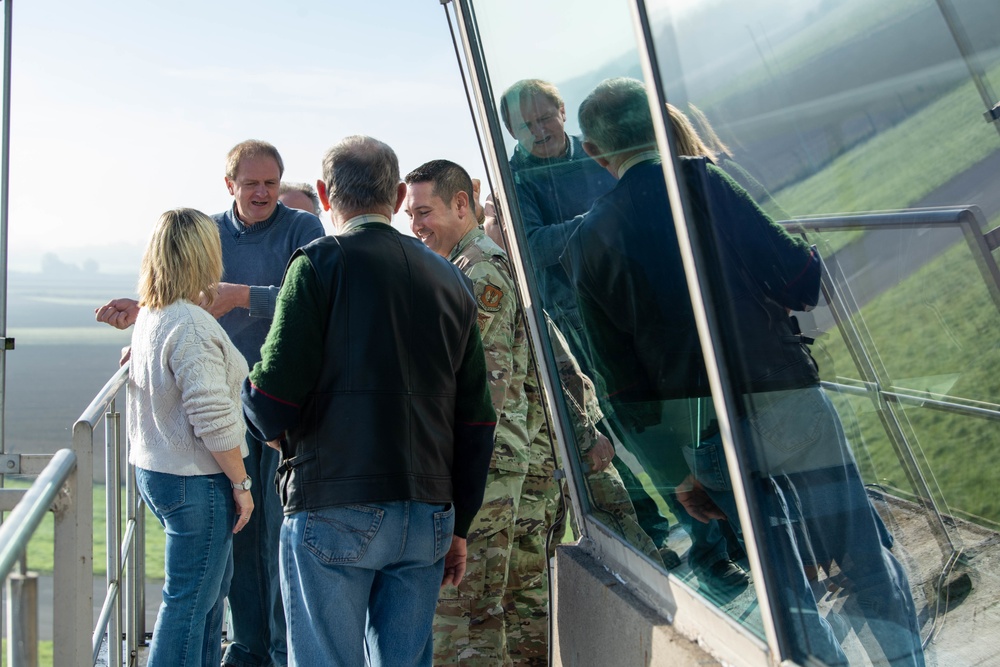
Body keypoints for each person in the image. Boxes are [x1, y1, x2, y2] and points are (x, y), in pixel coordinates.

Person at [562, 76, 924, 666]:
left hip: (704, 434)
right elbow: (801, 283)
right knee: (859, 548)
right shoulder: (707, 183)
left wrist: (673, 475)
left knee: (782, 583)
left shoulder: (587, 239)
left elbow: (620, 382)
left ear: (597, 153)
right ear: (660, 125)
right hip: (786, 399)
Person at [242, 136, 496, 667]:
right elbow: (476, 420)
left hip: (334, 503)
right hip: (429, 514)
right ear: (398, 193)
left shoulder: (316, 265)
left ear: (322, 194)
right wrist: (460, 525)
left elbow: (270, 397)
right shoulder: (452, 280)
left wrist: (260, 412)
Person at [501, 79, 745, 584]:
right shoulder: (515, 180)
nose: (539, 129)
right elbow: (535, 247)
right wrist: (603, 219)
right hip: (585, 323)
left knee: (697, 420)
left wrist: (602, 221)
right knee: (638, 429)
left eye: (545, 116)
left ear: (563, 112)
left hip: (650, 300)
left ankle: (742, 532)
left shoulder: (595, 150)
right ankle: (707, 552)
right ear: (510, 132)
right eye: (525, 125)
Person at [96, 140, 325, 667]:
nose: (263, 192)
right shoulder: (209, 232)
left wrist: (243, 295)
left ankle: (269, 648)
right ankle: (247, 650)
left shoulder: (301, 230)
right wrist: (147, 318)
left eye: (272, 182)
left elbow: (314, 298)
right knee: (233, 550)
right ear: (230, 186)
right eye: (252, 183)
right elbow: (182, 297)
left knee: (269, 537)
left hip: (277, 400)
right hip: (220, 405)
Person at [404, 159, 532, 665]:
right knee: (484, 612)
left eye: (424, 211)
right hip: (488, 465)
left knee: (465, 620)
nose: (416, 225)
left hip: (486, 467)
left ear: (462, 204)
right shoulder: (462, 266)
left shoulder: (477, 272)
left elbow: (481, 387)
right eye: (410, 214)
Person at [127, 208, 254, 667]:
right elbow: (212, 416)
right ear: (204, 255)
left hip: (159, 471)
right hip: (196, 480)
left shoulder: (154, 315)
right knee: (187, 604)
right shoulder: (189, 324)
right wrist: (242, 484)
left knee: (206, 597)